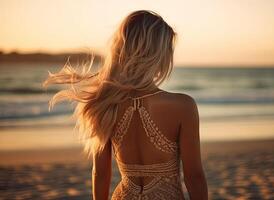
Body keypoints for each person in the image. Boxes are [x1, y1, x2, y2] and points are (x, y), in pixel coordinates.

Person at [44, 9, 208, 200]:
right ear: (158, 53)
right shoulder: (183, 106)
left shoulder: (105, 104)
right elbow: (194, 176)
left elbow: (100, 174)